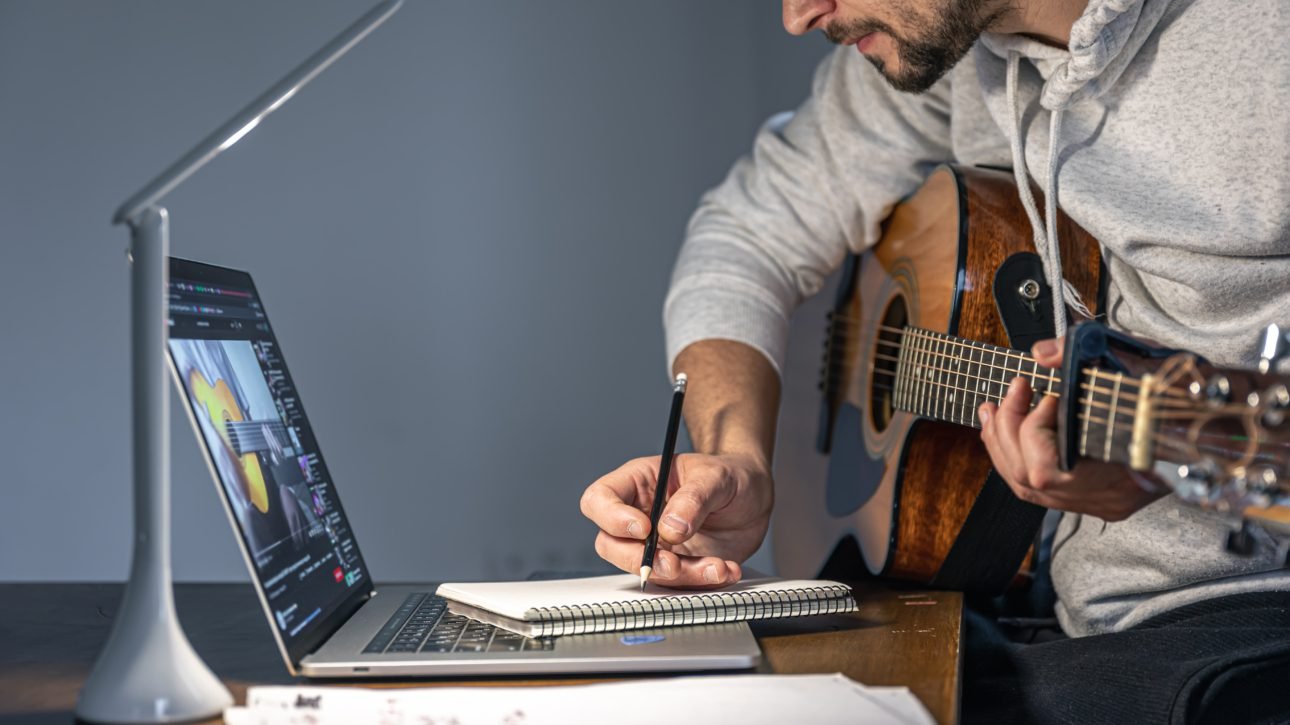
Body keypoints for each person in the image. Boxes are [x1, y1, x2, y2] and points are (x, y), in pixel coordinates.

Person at [579, 0, 1290, 721]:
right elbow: (747, 235)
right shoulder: (951, 45)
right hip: (1035, 600)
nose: (798, 17)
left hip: (1241, 616)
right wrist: (740, 458)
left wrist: (1158, 468)